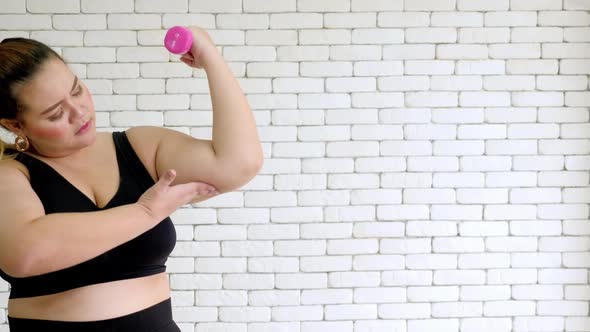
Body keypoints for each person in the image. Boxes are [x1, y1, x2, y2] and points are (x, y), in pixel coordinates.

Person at [0, 26, 263, 331]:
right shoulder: (10, 174)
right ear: (16, 125)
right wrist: (145, 212)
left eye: (76, 90)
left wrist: (211, 60)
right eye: (56, 113)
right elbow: (25, 253)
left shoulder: (139, 147)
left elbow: (237, 164)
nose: (80, 112)